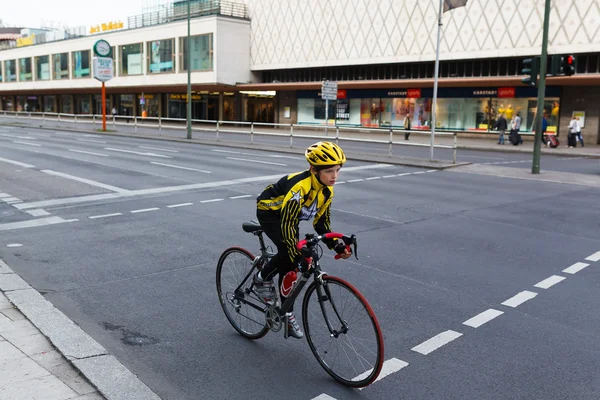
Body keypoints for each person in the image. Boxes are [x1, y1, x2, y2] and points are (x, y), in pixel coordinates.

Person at [254, 142, 352, 339]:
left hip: (290, 217)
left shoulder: (327, 190)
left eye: (337, 170)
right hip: (271, 212)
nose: (334, 176)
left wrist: (337, 245)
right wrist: (296, 256)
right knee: (288, 254)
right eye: (329, 171)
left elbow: (322, 224)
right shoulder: (300, 187)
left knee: (294, 258)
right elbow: (288, 225)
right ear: (313, 170)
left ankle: (284, 310)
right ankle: (261, 279)